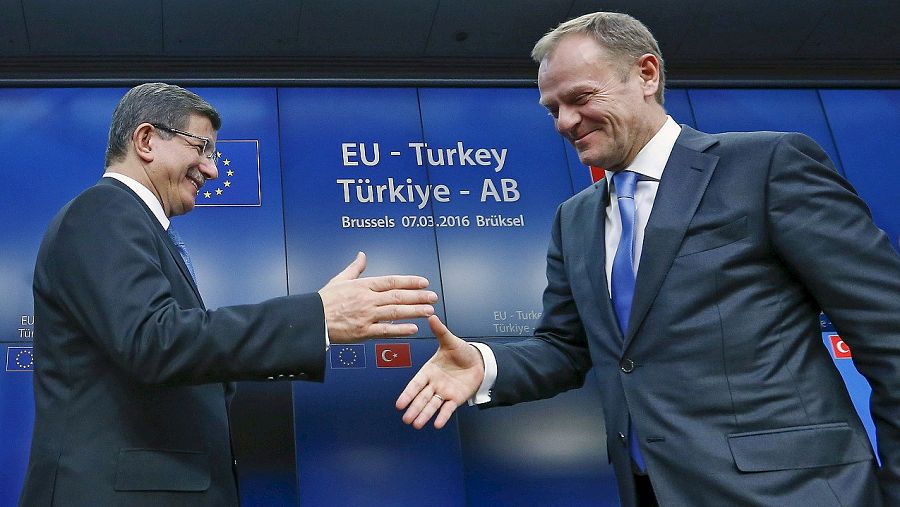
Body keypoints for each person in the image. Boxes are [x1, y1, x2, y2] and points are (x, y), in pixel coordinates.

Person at [397, 11, 900, 506]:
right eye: (552, 109)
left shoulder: (767, 165)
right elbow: (566, 348)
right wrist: (482, 366)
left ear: (646, 74)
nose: (565, 122)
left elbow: (888, 330)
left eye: (580, 98)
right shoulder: (574, 220)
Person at [19, 82, 437, 506]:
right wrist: (316, 318)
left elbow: (180, 356)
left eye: (212, 154)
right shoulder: (103, 210)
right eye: (201, 148)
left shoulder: (139, 227)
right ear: (146, 140)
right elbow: (154, 340)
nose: (212, 169)